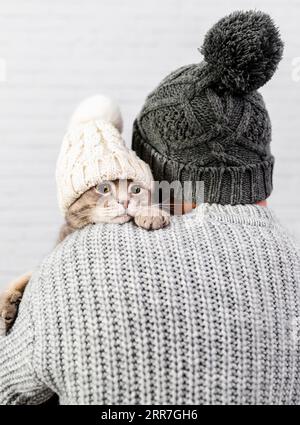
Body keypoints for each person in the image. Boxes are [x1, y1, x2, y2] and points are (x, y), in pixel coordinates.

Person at [1, 10, 300, 405]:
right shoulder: (291, 263)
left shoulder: (75, 264)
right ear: (259, 186)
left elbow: (8, 390)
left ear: (149, 172)